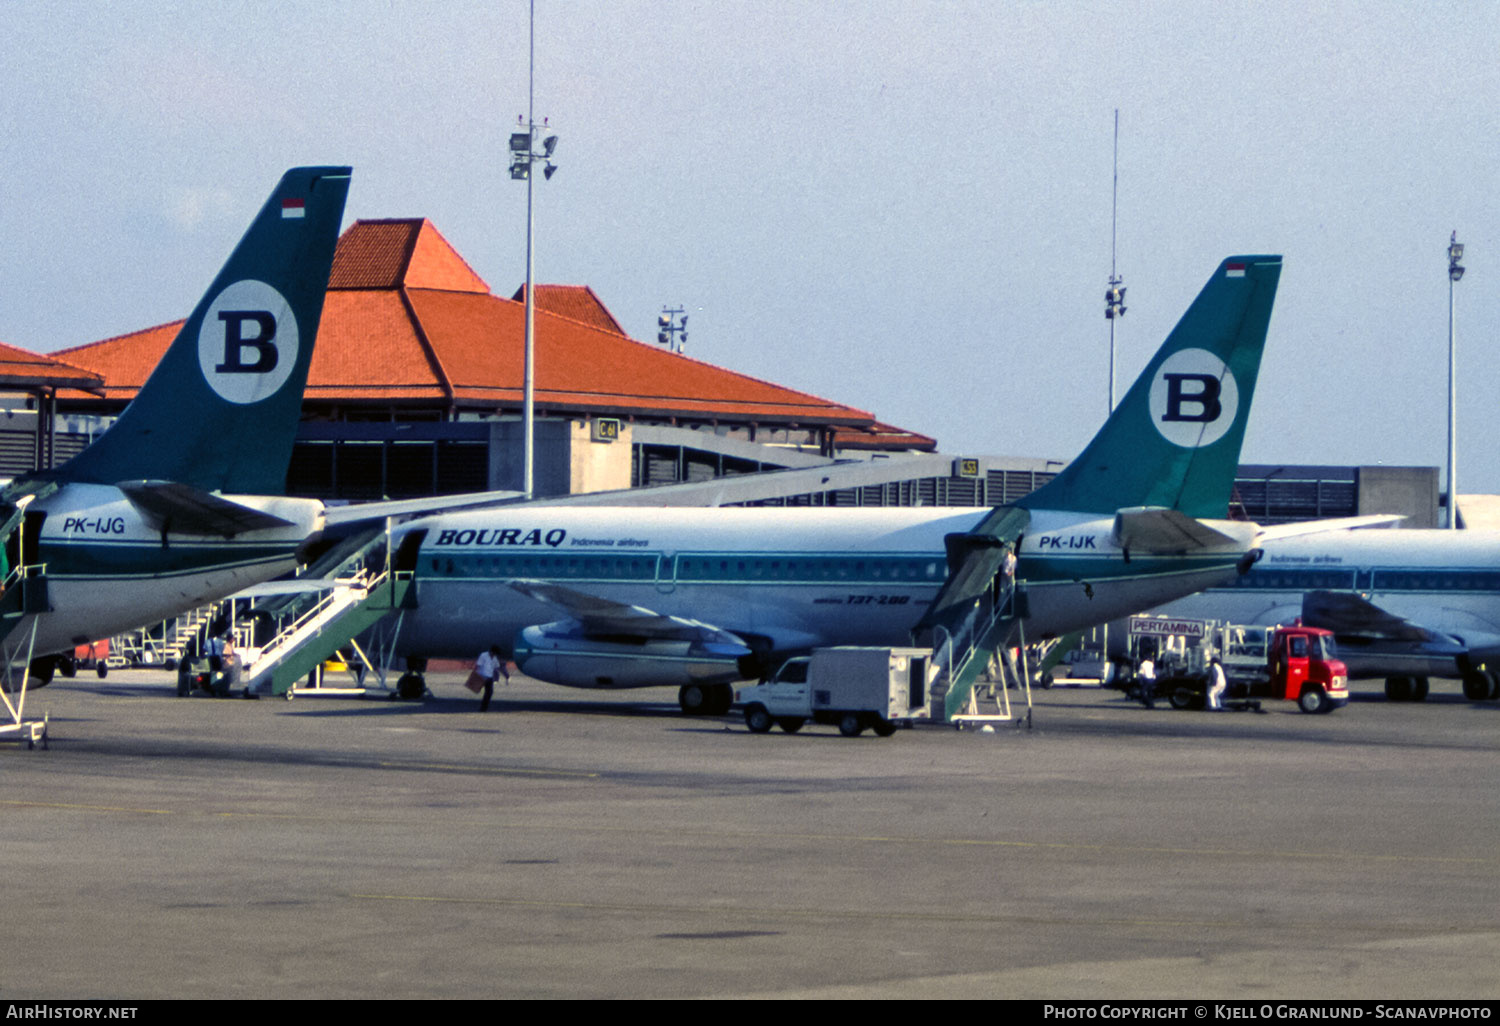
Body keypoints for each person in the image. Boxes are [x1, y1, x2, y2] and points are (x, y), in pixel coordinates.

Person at [475, 644, 508, 712]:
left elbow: (497, 667)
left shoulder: (494, 658)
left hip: (490, 677)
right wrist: (476, 675)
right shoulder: (483, 655)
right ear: (491, 652)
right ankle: (483, 707)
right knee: (481, 691)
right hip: (482, 676)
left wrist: (505, 675)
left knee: (489, 693)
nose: (494, 655)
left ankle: (484, 708)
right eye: (494, 654)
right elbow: (478, 665)